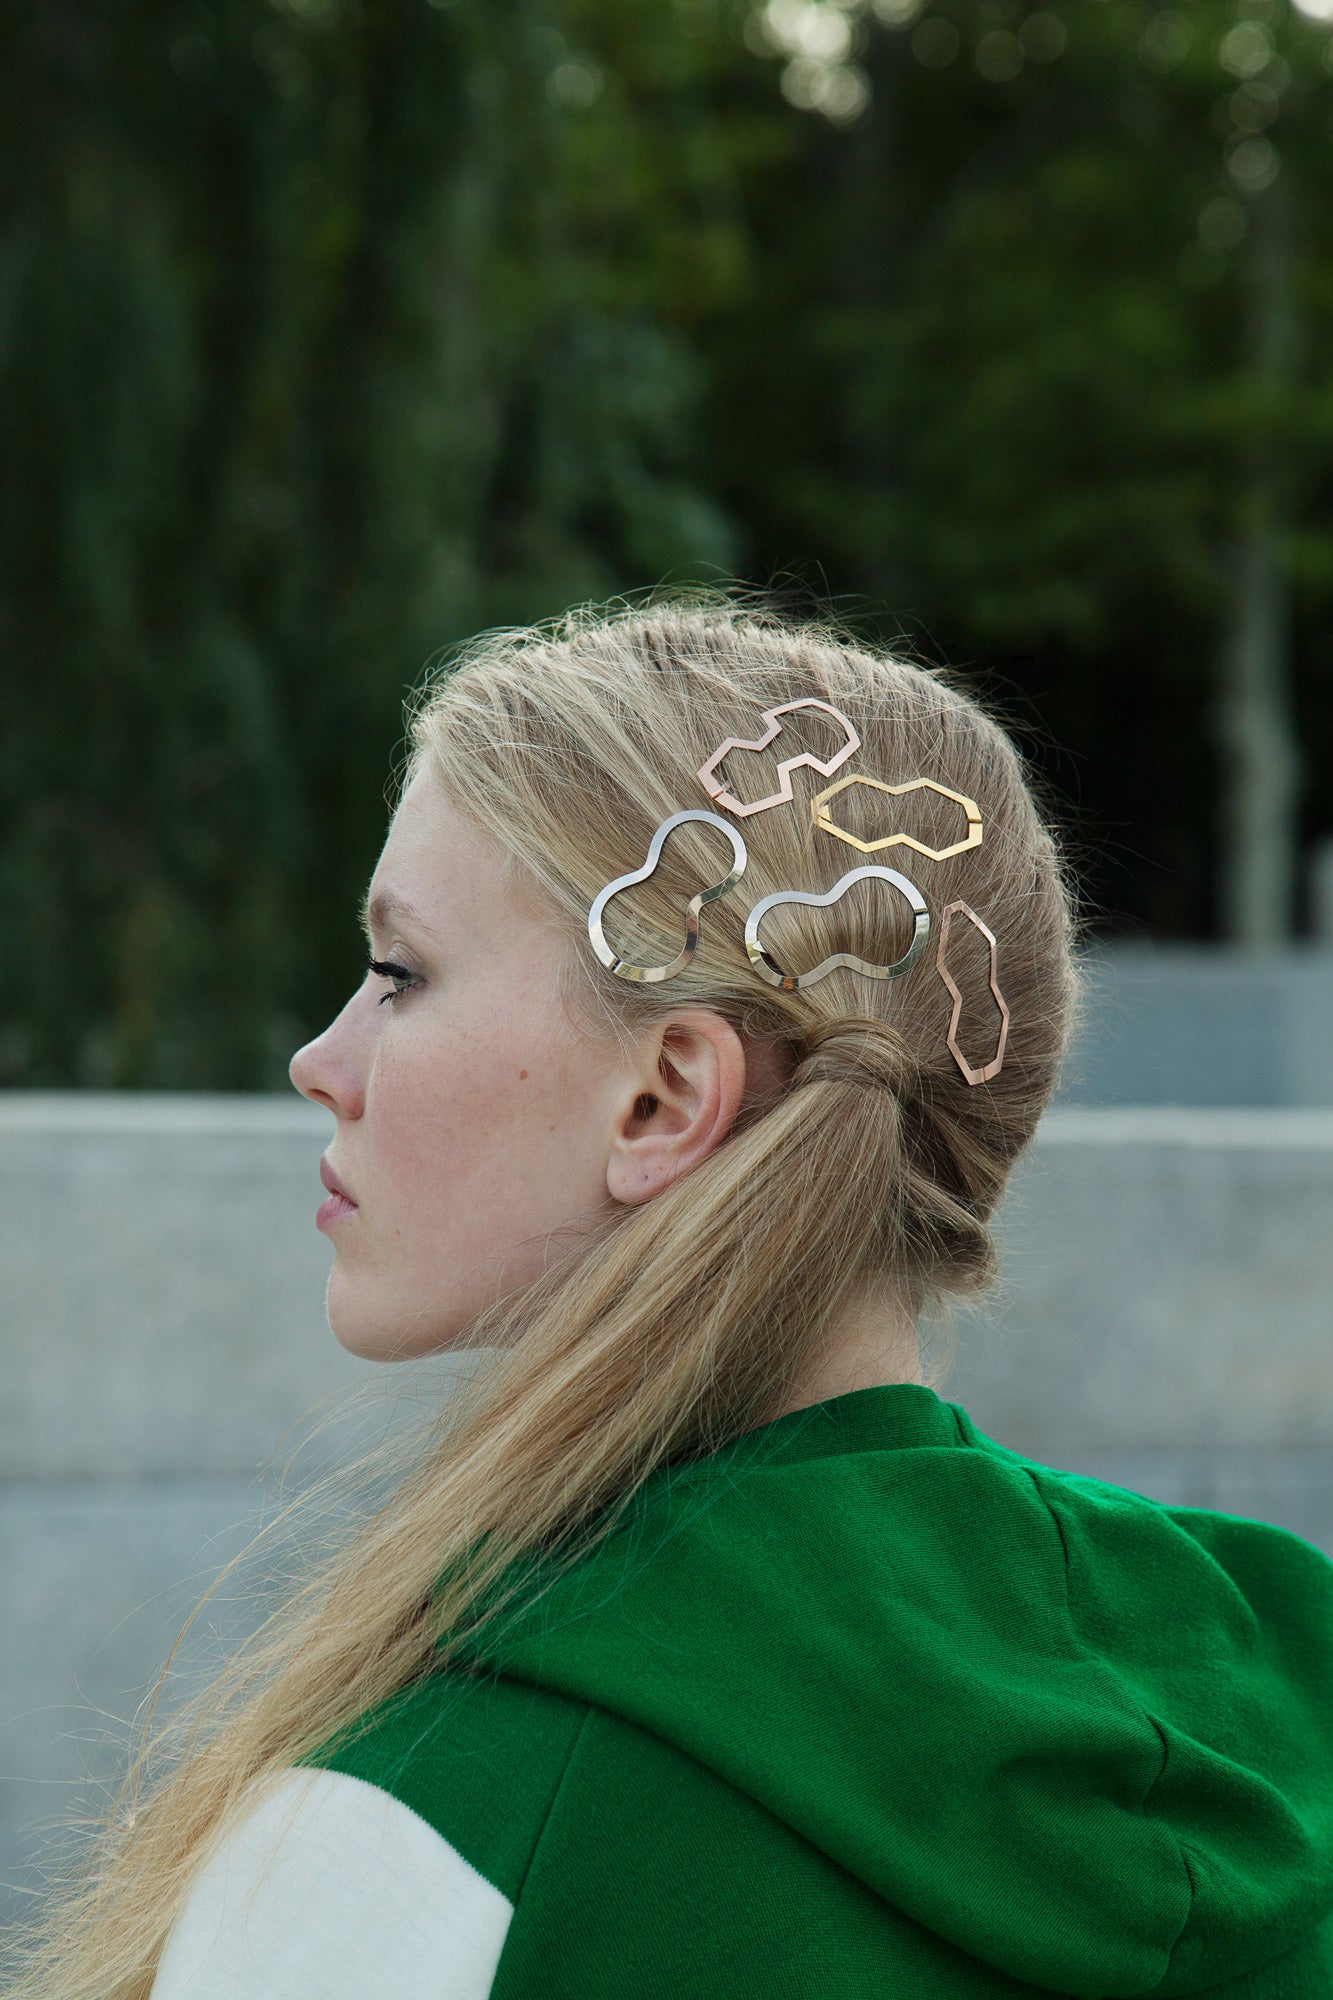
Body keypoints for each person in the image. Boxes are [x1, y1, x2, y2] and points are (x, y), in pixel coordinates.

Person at [9, 596, 1333, 1999]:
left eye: (400, 972)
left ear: (663, 1098)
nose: (318, 1058)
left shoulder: (411, 1842)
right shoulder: (1275, 1691)